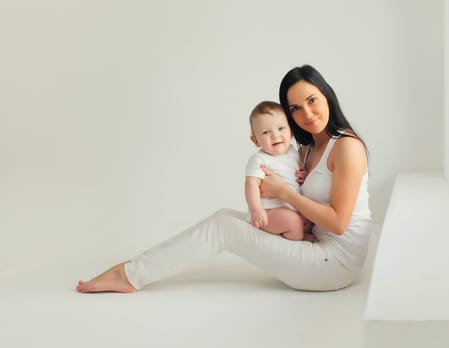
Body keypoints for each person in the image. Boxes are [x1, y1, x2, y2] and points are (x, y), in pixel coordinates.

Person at [76, 64, 372, 293]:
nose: (307, 113)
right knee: (224, 217)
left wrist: (286, 193)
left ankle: (129, 275)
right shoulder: (306, 148)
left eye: (312, 100)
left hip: (334, 264)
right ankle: (133, 271)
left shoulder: (347, 147)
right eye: (295, 108)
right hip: (313, 245)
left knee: (223, 228)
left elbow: (337, 222)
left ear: (327, 95)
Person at [245, 101, 311, 241]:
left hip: (292, 207)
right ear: (255, 140)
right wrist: (256, 210)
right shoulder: (259, 159)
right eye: (266, 132)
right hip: (269, 212)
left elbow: (297, 173)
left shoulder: (294, 153)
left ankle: (298, 232)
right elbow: (251, 184)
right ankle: (299, 237)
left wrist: (303, 174)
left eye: (281, 128)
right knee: (292, 221)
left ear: (291, 131)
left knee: (311, 218)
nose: (275, 135)